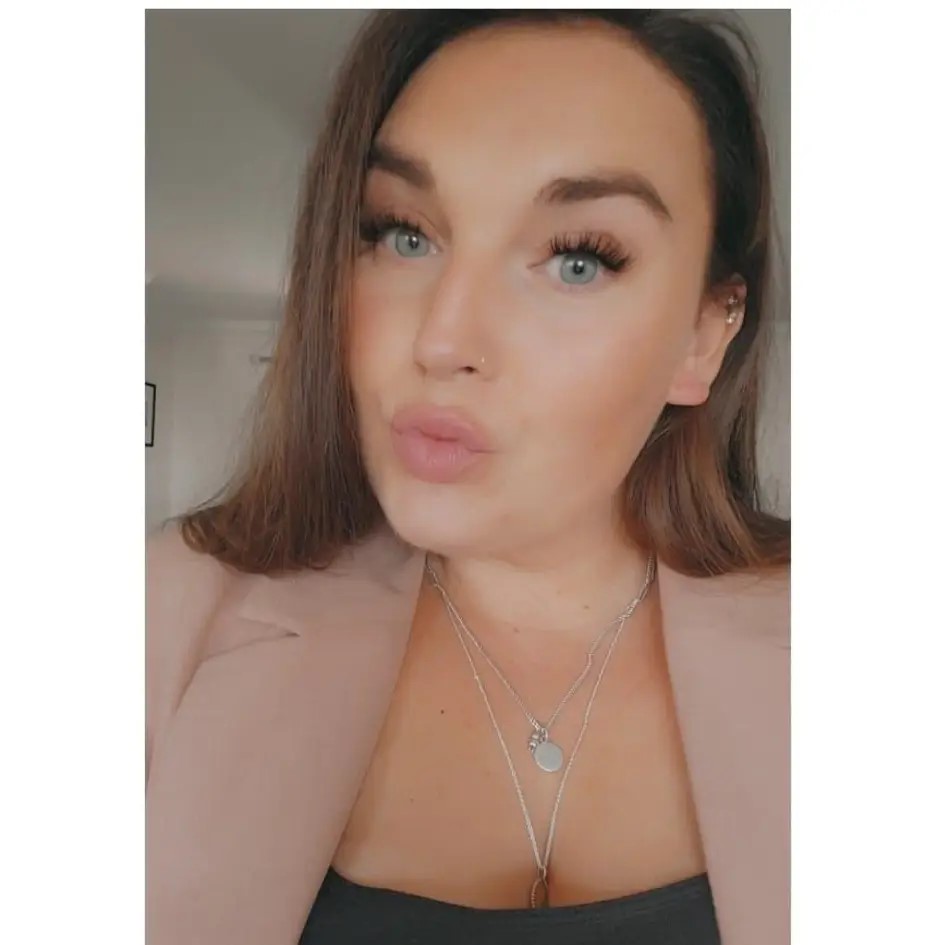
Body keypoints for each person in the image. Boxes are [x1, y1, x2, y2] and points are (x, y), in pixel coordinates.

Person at [146, 10, 790, 945]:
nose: (442, 339)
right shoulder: (162, 615)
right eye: (403, 235)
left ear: (703, 336)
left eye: (577, 259)